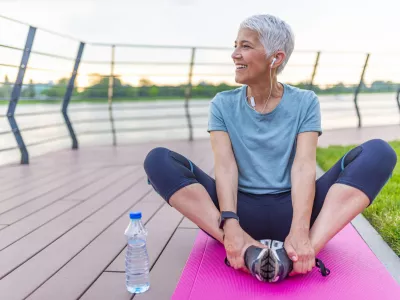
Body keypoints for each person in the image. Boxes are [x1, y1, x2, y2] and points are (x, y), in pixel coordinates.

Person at [143, 14, 397, 283]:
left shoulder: (305, 101)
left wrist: (300, 228)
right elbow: (226, 166)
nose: (234, 54)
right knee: (158, 160)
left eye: (245, 46)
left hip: (297, 210)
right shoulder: (222, 104)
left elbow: (303, 166)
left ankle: (304, 249)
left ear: (275, 58)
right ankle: (244, 246)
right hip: (238, 213)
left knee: (380, 152)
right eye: (235, 45)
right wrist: (230, 224)